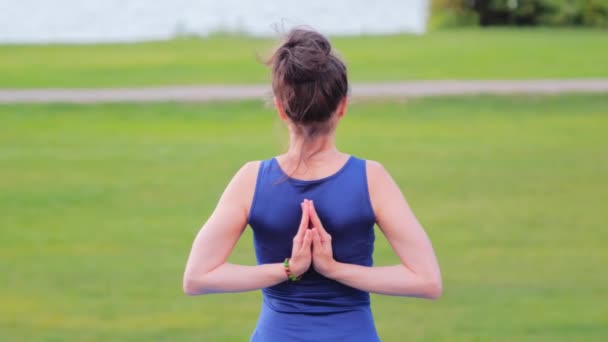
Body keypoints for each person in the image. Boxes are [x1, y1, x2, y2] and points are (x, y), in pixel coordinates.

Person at [182, 28, 442, 341]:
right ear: (342, 106)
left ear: (280, 109)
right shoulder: (372, 179)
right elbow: (427, 281)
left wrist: (289, 269)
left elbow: (197, 278)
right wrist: (333, 269)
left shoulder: (251, 180)